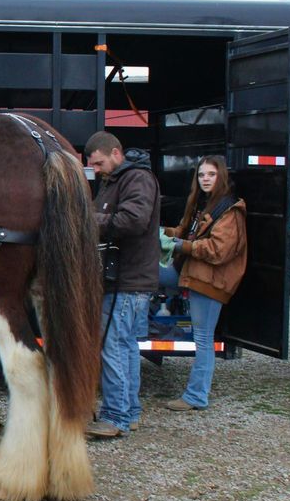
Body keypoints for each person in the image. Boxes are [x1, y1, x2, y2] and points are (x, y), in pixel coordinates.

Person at [84, 132, 160, 439]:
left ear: (116, 153)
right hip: (128, 278)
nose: (97, 170)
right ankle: (129, 413)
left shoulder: (136, 178)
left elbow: (133, 220)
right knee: (126, 346)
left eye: (100, 163)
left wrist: (86, 220)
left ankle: (114, 417)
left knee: (111, 345)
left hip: (126, 280)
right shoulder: (117, 180)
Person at [159, 155, 247, 411]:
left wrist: (180, 245)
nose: (205, 179)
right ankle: (137, 323)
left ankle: (197, 396)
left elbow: (219, 250)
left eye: (211, 174)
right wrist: (160, 232)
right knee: (144, 273)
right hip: (192, 273)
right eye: (201, 175)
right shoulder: (203, 204)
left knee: (203, 338)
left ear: (221, 177)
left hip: (209, 281)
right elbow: (184, 231)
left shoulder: (230, 210)